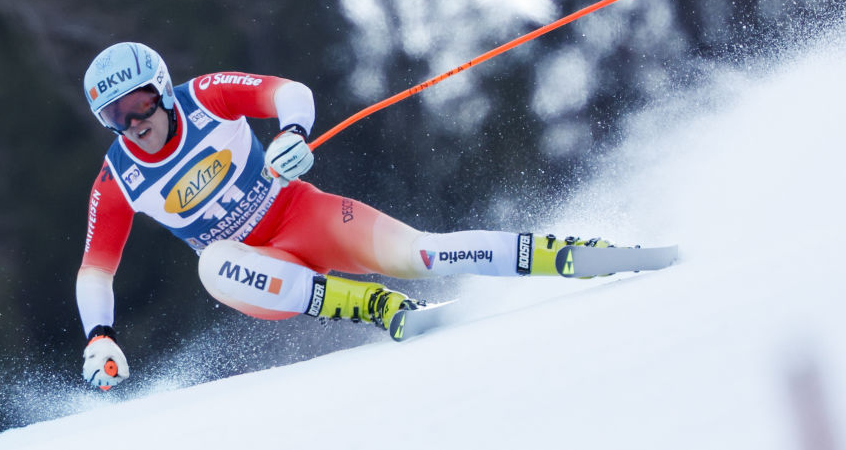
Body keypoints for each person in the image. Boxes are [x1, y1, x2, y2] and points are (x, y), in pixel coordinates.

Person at [78, 42, 612, 389]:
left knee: (419, 253)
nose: (132, 124)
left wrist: (292, 133)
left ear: (163, 89)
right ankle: (375, 307)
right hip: (260, 275)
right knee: (212, 263)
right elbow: (95, 271)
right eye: (114, 117)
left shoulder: (207, 98)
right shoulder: (118, 178)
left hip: (303, 214)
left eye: (139, 105)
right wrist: (99, 335)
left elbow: (290, 92)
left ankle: (555, 253)